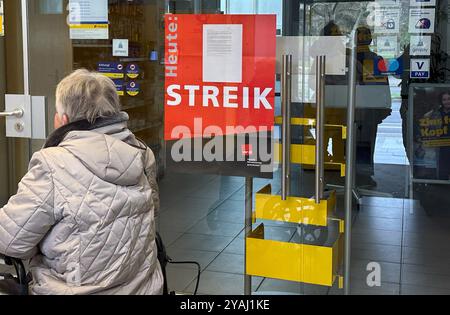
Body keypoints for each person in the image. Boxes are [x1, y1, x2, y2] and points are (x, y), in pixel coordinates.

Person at [0, 69, 163, 295]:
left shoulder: (53, 164)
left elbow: (11, 241)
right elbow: (150, 215)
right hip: (143, 288)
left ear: (63, 120)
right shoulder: (141, 152)